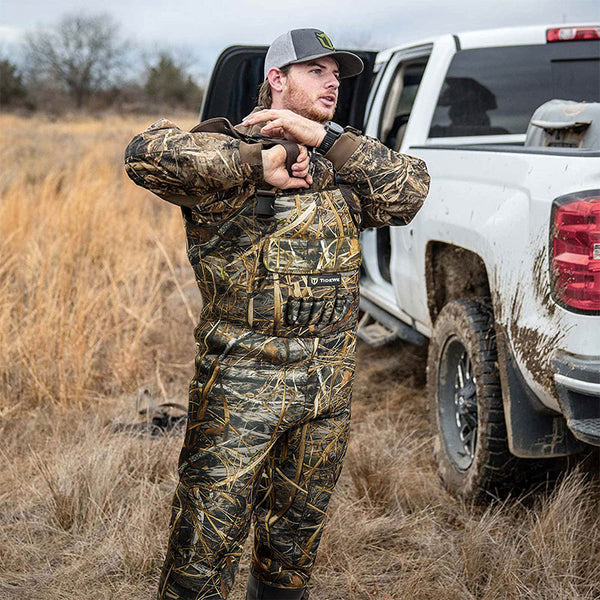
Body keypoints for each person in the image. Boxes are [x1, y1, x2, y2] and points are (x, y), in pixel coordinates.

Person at [125, 28, 429, 600]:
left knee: (293, 546)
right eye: (316, 70)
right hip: (241, 381)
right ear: (276, 78)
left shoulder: (338, 156)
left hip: (327, 382)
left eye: (337, 73)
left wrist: (321, 136)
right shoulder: (225, 147)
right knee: (203, 547)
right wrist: (259, 159)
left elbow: (410, 190)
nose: (333, 80)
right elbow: (145, 155)